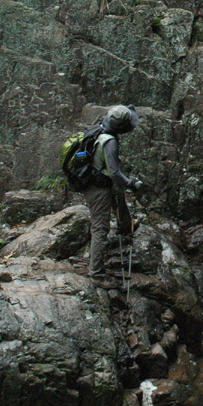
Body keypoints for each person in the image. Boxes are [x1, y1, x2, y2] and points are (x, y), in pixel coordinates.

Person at [83, 104, 143, 287]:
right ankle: (96, 274)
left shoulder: (99, 129)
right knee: (100, 228)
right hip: (98, 188)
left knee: (118, 194)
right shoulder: (110, 142)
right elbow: (115, 174)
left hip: (97, 179)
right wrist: (131, 183)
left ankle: (125, 224)